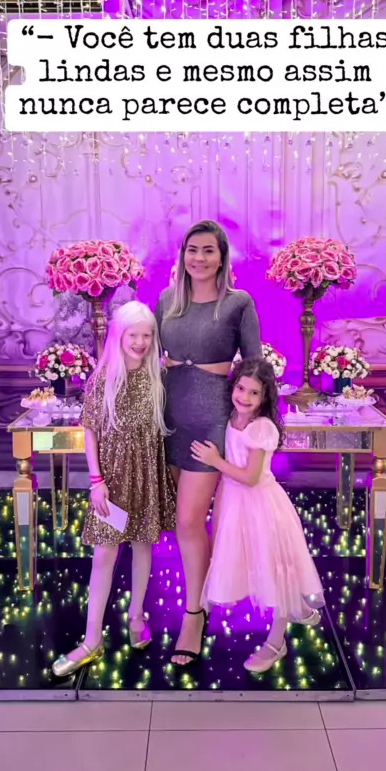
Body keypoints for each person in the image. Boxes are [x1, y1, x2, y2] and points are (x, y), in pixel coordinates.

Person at [155, 220, 262, 665]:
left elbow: (254, 367)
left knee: (187, 521)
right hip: (168, 419)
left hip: (210, 423)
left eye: (208, 251)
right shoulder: (166, 300)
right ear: (182, 255)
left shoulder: (238, 303)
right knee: (181, 523)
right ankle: (211, 588)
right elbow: (145, 357)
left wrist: (249, 429)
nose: (198, 258)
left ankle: (194, 614)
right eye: (191, 250)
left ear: (222, 258)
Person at [52, 301, 176, 677]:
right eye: (133, 334)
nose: (140, 342)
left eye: (147, 335)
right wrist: (97, 481)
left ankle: (137, 615)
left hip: (146, 475)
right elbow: (90, 432)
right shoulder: (103, 378)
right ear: (119, 336)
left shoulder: (157, 375)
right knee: (104, 556)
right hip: (113, 479)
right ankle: (92, 639)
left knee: (143, 546)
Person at [191, 358, 325, 673]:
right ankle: (297, 607)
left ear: (265, 397)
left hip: (261, 505)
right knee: (246, 562)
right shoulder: (230, 418)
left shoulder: (261, 427)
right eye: (241, 388)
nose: (245, 397)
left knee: (273, 570)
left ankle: (277, 642)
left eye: (254, 393)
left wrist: (214, 459)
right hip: (234, 503)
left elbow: (251, 477)